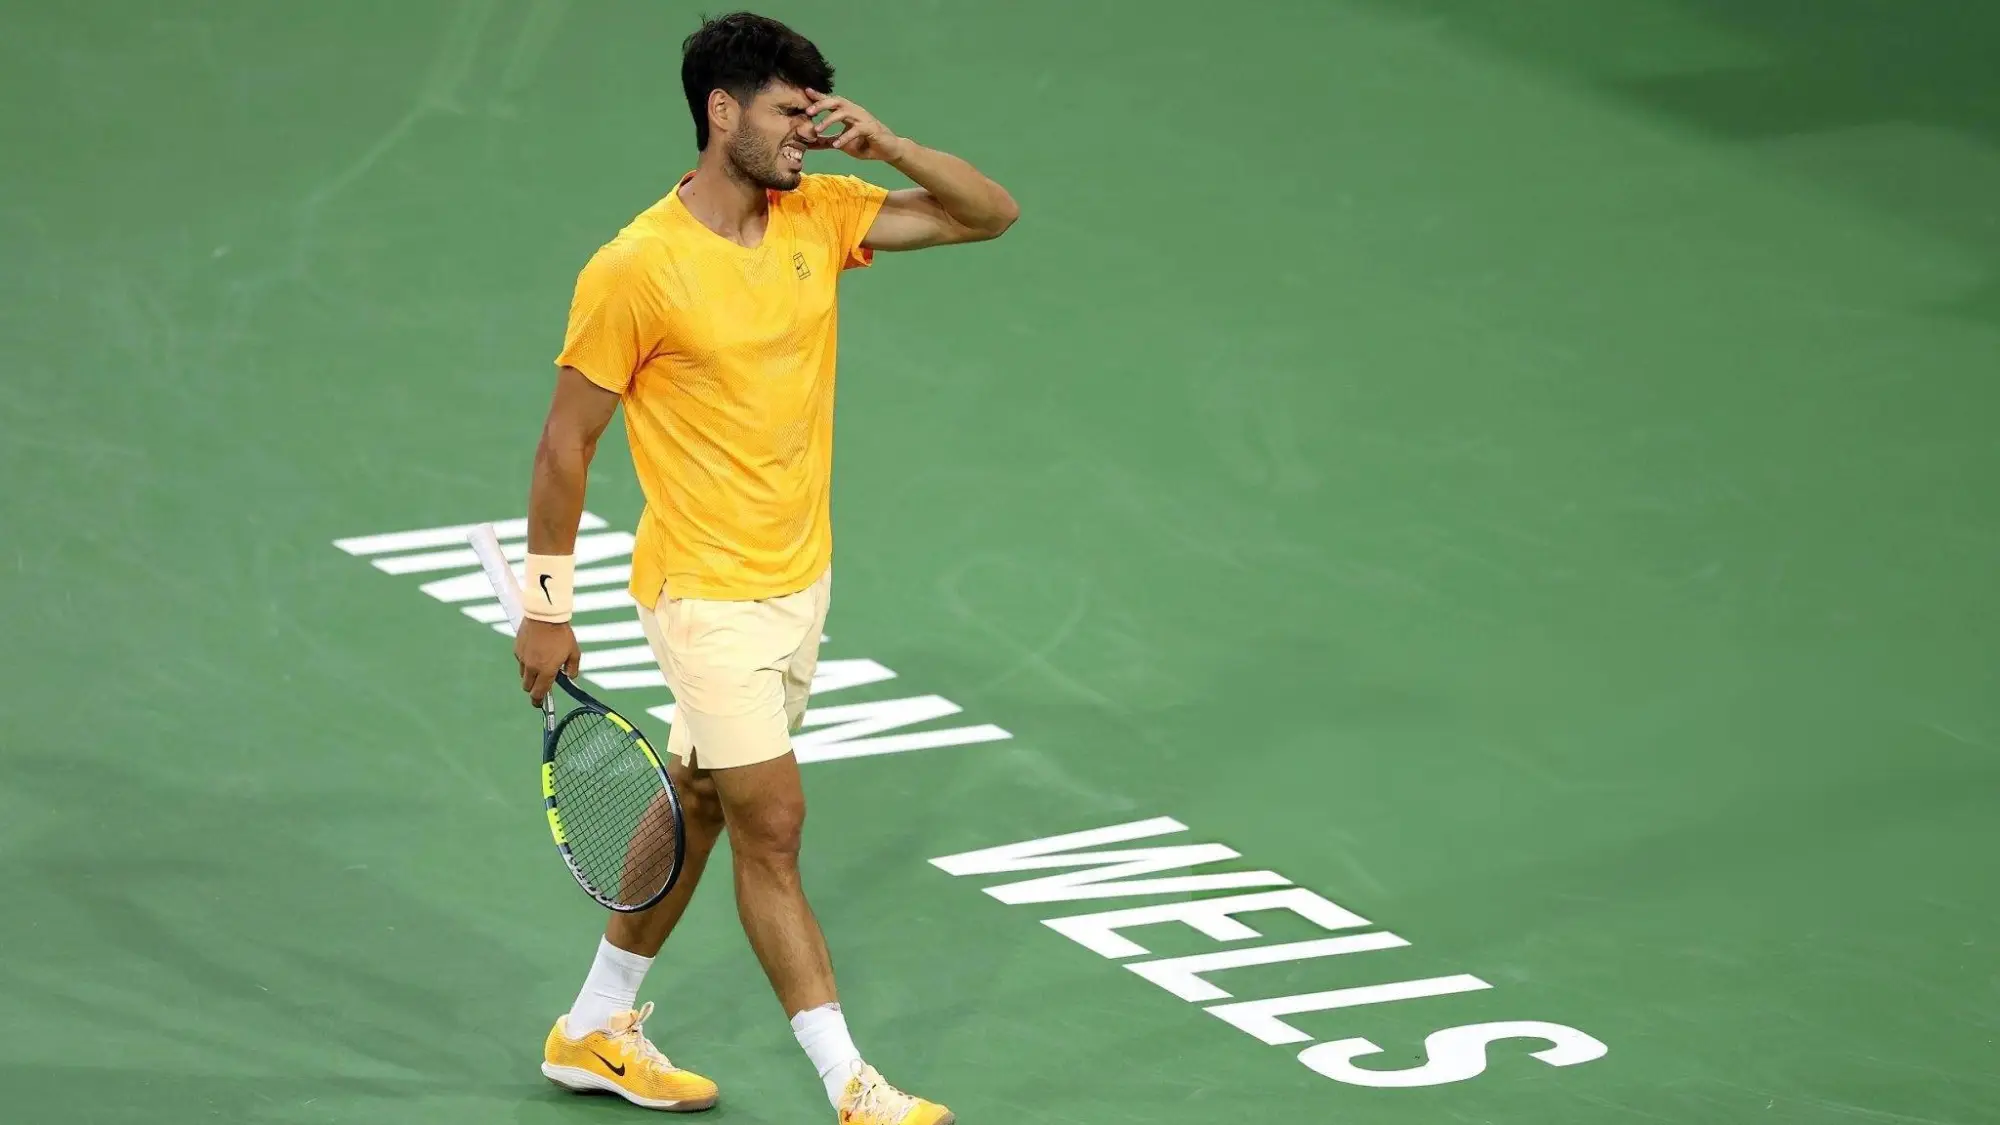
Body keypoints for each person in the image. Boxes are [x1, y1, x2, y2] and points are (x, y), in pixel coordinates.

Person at [508, 10, 1018, 1124]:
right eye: (790, 112)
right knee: (773, 824)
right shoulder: (636, 268)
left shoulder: (821, 214)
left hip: (799, 581)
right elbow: (565, 443)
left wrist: (884, 148)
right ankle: (852, 1085)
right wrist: (546, 609)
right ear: (720, 111)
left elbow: (989, 214)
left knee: (700, 798)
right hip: (702, 592)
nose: (810, 131)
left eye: (815, 111)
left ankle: (593, 1027)